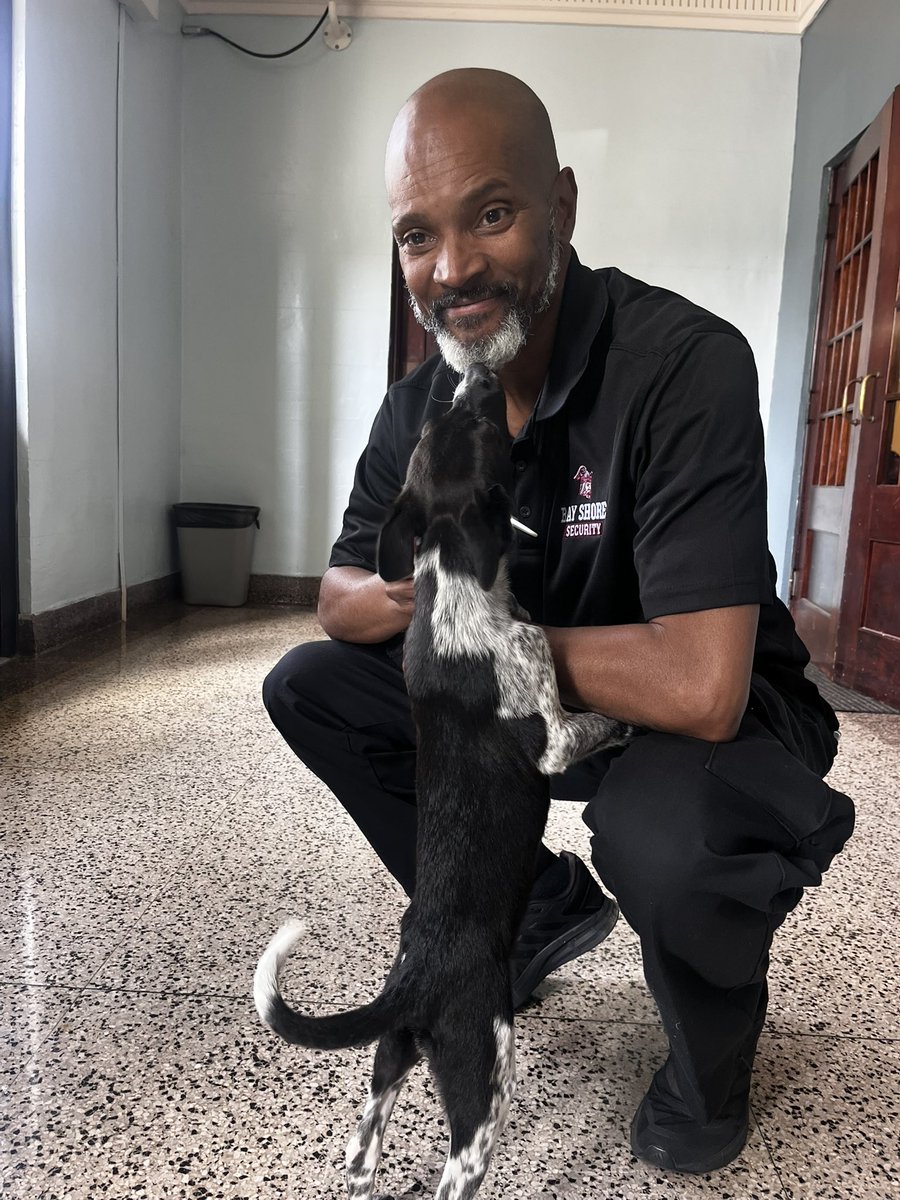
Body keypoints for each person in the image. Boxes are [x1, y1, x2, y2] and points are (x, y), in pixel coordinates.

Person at [263, 68, 855, 1175]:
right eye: (414, 236)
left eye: (491, 214)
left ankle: (712, 1050)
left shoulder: (682, 364)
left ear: (563, 207)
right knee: (308, 687)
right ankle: (535, 908)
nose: (451, 269)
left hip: (703, 730)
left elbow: (702, 684)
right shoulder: (423, 404)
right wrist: (434, 600)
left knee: (661, 834)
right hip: (539, 712)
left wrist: (494, 639)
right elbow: (340, 596)